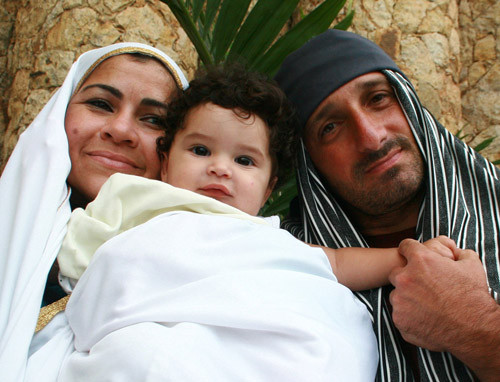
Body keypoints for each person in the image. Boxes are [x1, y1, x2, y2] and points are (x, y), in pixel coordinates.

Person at [52, 66, 456, 381]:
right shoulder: (137, 200)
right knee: (142, 355)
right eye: (199, 149)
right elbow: (83, 261)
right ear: (165, 162)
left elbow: (333, 264)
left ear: (267, 190)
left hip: (263, 349)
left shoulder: (267, 238)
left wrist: (403, 258)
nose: (220, 168)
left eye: (244, 160)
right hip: (157, 341)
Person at [275, 29, 500, 381]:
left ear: (409, 104)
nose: (371, 137)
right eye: (331, 127)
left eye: (378, 99)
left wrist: (473, 325)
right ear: (309, 164)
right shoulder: (285, 263)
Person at [0, 42, 188, 381]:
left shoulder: (205, 262)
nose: (120, 130)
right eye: (101, 104)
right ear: (59, 115)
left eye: (153, 120)